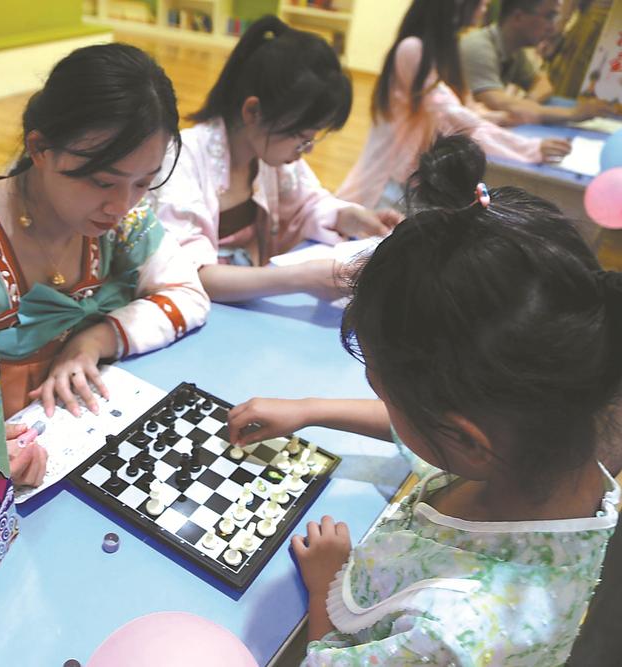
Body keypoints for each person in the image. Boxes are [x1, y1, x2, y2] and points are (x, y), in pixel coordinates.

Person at [229, 135, 621, 664]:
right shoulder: (551, 447)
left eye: (381, 390)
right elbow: (431, 432)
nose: (382, 402)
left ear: (465, 437)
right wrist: (310, 410)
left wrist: (327, 585)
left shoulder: (451, 637)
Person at [0, 43, 210, 486]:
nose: (121, 206)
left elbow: (189, 294)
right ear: (40, 147)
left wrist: (94, 339)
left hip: (78, 442)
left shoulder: (124, 224)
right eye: (102, 181)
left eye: (143, 183)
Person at [151, 16, 399, 304]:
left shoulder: (268, 155)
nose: (308, 150)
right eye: (301, 137)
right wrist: (302, 278)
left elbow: (308, 203)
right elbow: (190, 274)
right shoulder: (182, 160)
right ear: (253, 112)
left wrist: (349, 217)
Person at [337, 0, 570, 211]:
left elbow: (463, 108)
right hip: (389, 180)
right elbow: (456, 117)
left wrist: (498, 117)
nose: (486, 5)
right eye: (480, 2)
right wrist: (530, 148)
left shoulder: (446, 49)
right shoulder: (414, 49)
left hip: (413, 175)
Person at [460, 0, 612, 123]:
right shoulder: (478, 47)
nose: (552, 28)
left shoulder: (514, 49)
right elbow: (498, 103)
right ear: (518, 17)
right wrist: (572, 113)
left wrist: (528, 104)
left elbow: (543, 83)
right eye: (549, 17)